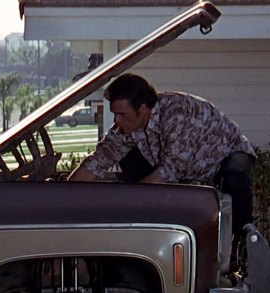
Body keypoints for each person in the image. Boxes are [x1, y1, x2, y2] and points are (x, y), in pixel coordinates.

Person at [69, 73, 255, 266]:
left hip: (226, 154)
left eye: (122, 114)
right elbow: (98, 161)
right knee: (128, 159)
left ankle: (245, 243)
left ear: (142, 108)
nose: (117, 121)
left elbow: (171, 170)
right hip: (186, 171)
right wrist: (65, 196)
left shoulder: (177, 115)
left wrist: (128, 202)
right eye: (114, 114)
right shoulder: (126, 129)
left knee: (235, 179)